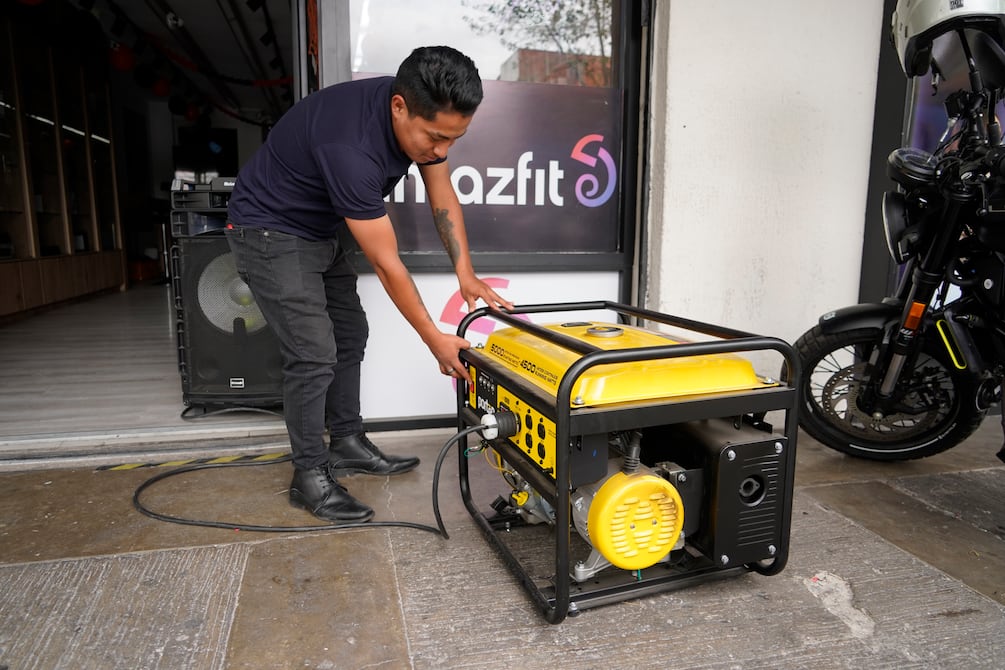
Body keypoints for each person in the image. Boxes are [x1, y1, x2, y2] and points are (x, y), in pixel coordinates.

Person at [224, 46, 513, 524]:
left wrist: (466, 273)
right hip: (268, 229)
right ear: (399, 107)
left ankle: (347, 442)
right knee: (312, 353)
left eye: (454, 139)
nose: (442, 151)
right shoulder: (351, 147)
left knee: (349, 333)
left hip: (318, 227)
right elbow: (386, 262)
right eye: (436, 138)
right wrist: (434, 339)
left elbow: (442, 194)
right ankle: (309, 476)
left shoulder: (419, 111)